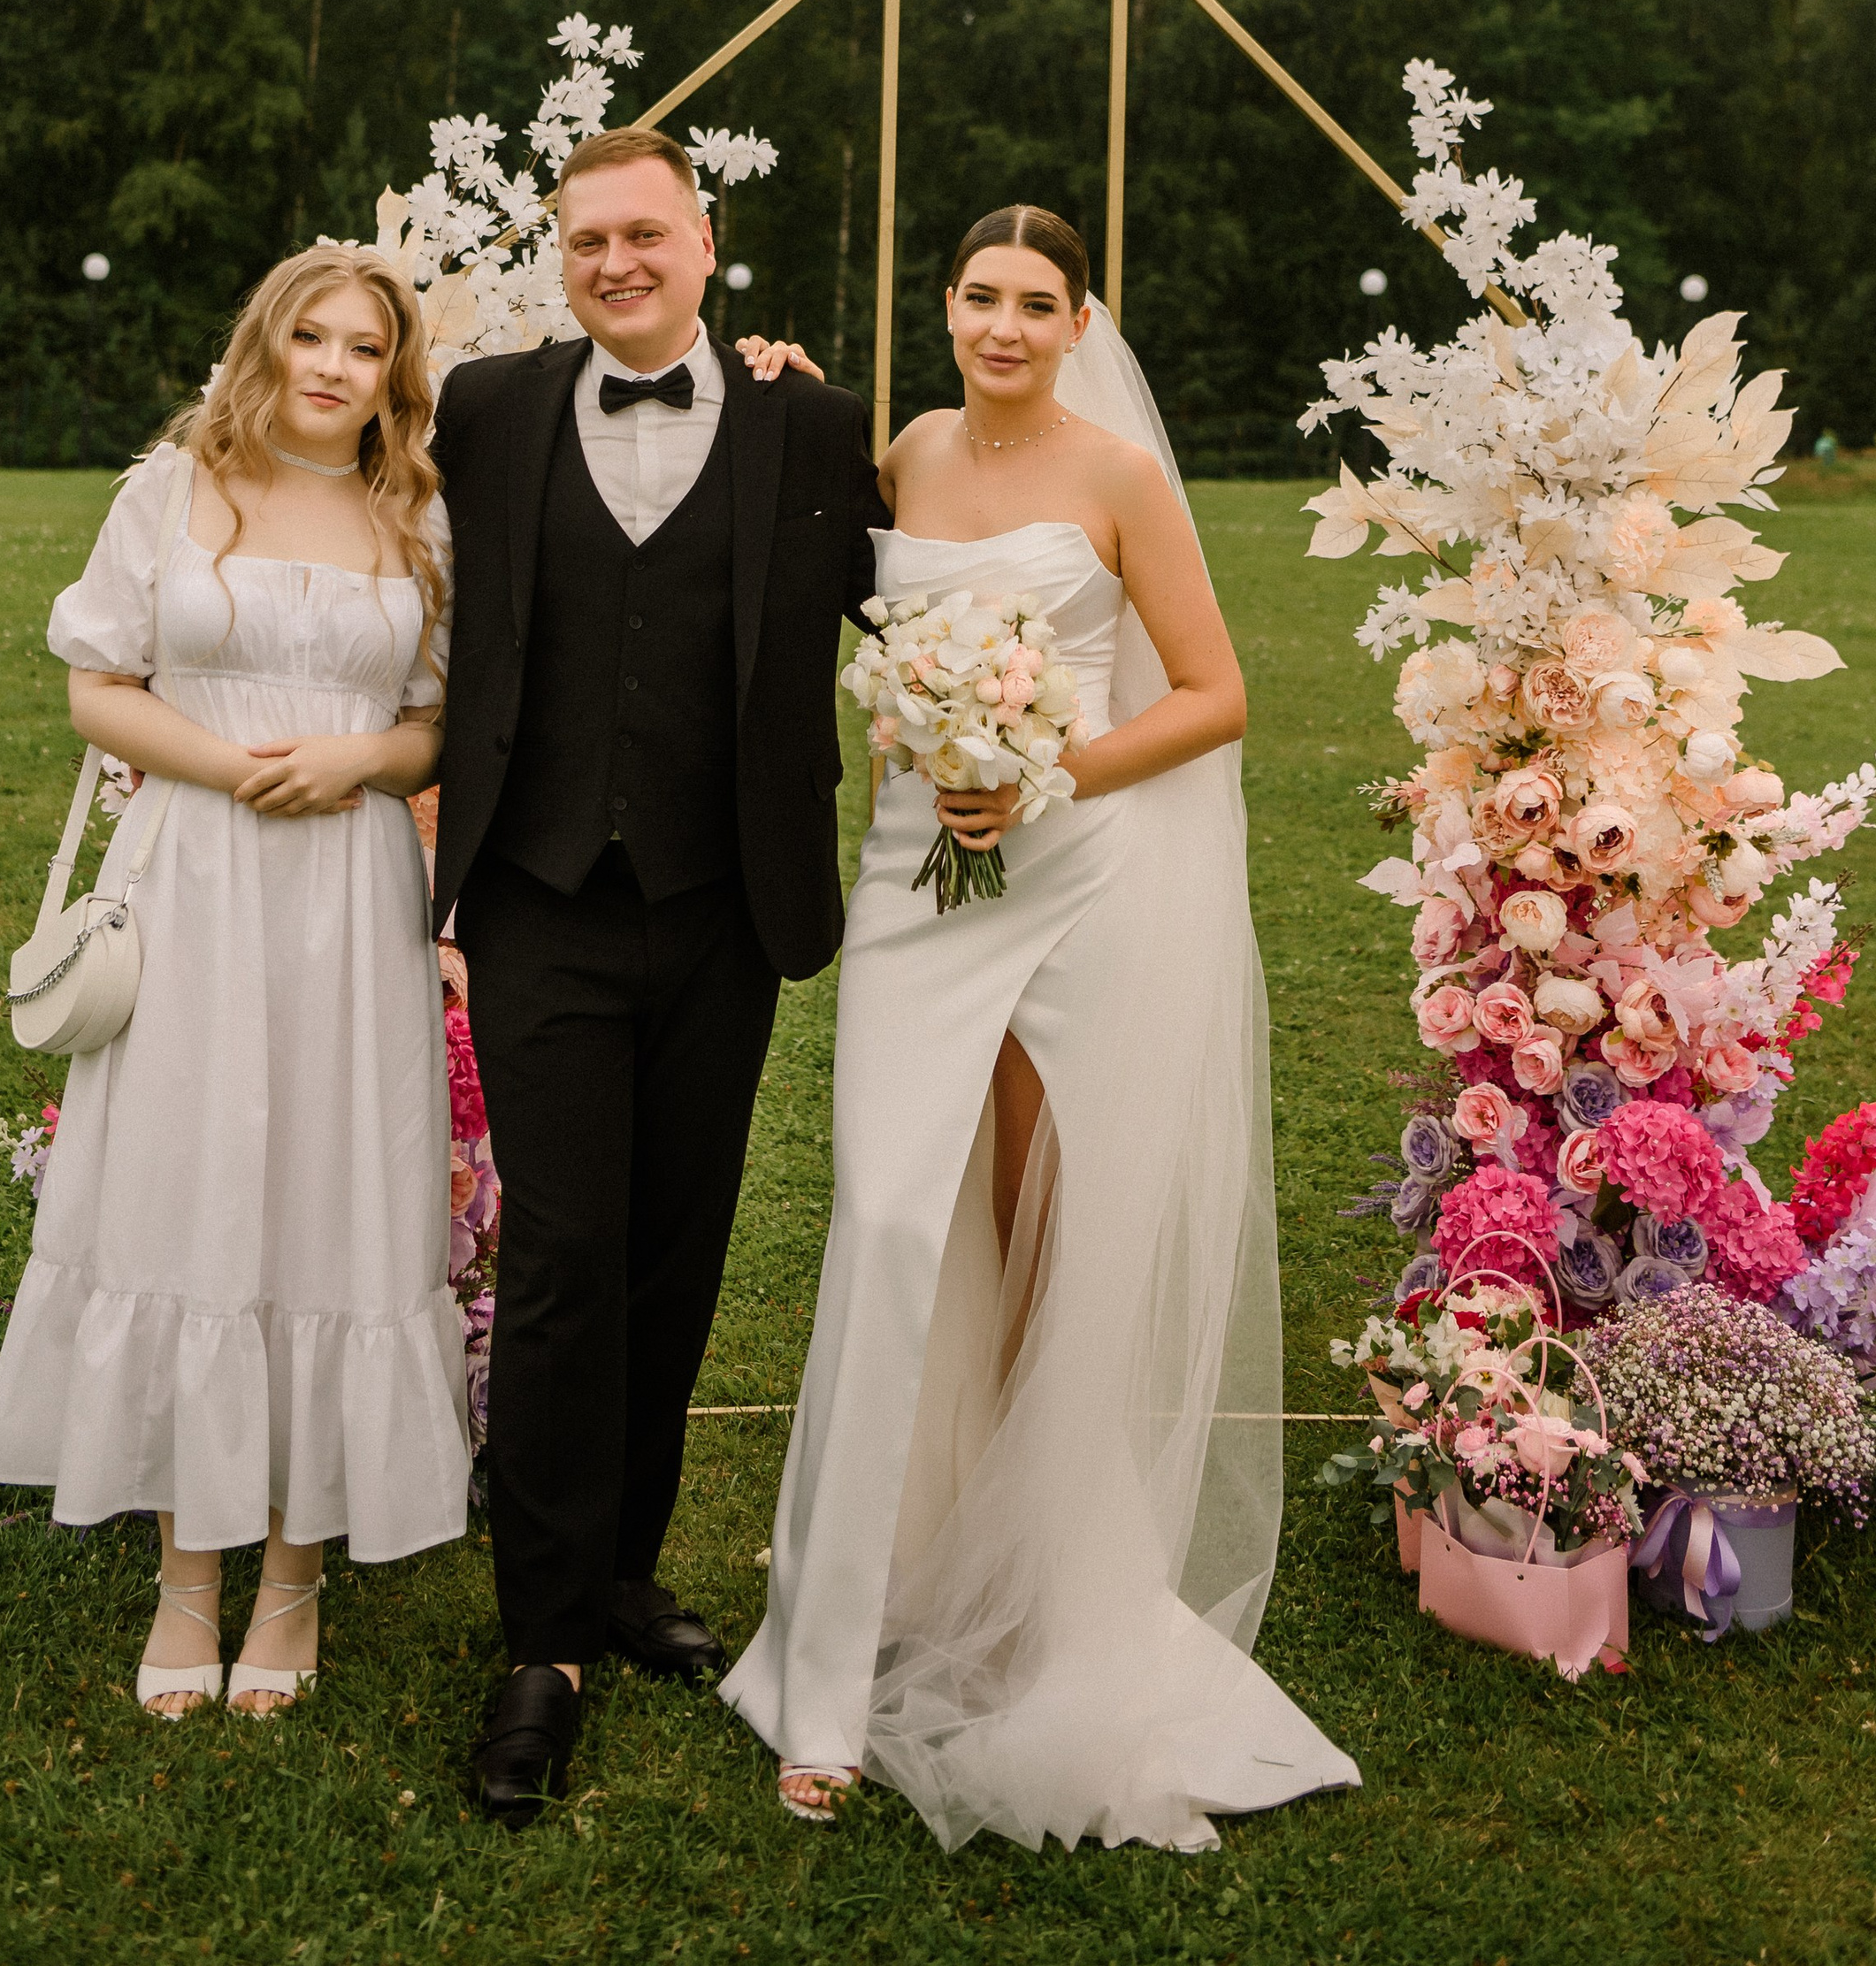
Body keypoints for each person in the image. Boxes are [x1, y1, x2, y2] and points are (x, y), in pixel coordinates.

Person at [722, 205, 1359, 1849]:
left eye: (1035, 302)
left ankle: (1034, 1595)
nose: (1002, 326)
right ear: (945, 308)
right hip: (914, 885)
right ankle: (828, 1665)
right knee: (887, 1219)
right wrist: (774, 385)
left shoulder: (1123, 479)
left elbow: (1215, 695)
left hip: (1077, 874)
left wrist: (1048, 767)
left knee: (1044, 1228)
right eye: (978, 297)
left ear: (1081, 322)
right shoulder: (907, 458)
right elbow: (809, 553)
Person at [429, 124, 885, 1828]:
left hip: (722, 904)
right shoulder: (484, 409)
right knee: (563, 1256)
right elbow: (333, 479)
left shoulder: (812, 426)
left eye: (645, 234)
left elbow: (934, 601)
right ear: (561, 259)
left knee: (675, 1252)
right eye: (585, 240)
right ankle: (542, 1643)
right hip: (536, 896)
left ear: (707, 243)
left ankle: (622, 1570)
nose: (615, 263)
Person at [0, 249, 468, 1717]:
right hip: (196, 870)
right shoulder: (173, 487)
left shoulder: (420, 510)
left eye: (363, 348)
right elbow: (98, 686)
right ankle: (190, 1577)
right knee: (190, 1187)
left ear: (392, 374)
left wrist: (361, 759)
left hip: (348, 889)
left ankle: (294, 1577)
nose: (332, 366)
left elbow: (439, 717)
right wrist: (236, 769)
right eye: (309, 336)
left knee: (331, 1193)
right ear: (265, 343)